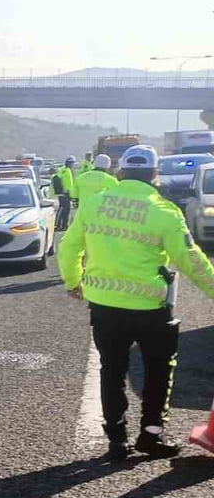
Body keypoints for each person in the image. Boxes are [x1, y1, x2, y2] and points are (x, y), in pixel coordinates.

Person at [58, 145, 214, 459]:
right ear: (155, 174)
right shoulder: (165, 212)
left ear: (120, 173)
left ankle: (117, 440)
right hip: (150, 309)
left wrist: (73, 281)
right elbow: (191, 260)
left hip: (104, 305)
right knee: (159, 371)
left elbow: (69, 246)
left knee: (112, 371)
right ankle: (151, 436)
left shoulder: (94, 204)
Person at [53, 156, 76, 231]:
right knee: (62, 209)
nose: (72, 164)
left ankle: (64, 225)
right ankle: (57, 225)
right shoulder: (64, 169)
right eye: (71, 163)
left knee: (67, 210)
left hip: (68, 193)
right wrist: (60, 191)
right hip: (63, 193)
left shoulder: (68, 170)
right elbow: (56, 178)